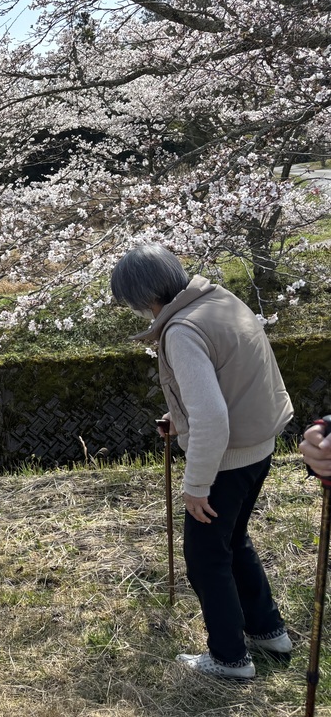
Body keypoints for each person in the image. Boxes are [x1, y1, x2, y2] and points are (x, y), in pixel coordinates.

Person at [110, 245, 295, 679]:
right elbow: (230, 380)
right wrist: (178, 418)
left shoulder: (181, 331)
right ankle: (269, 632)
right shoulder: (220, 300)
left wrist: (196, 486)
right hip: (260, 445)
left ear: (141, 298)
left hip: (226, 459)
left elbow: (212, 417)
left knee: (206, 557)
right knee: (233, 542)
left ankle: (230, 658)